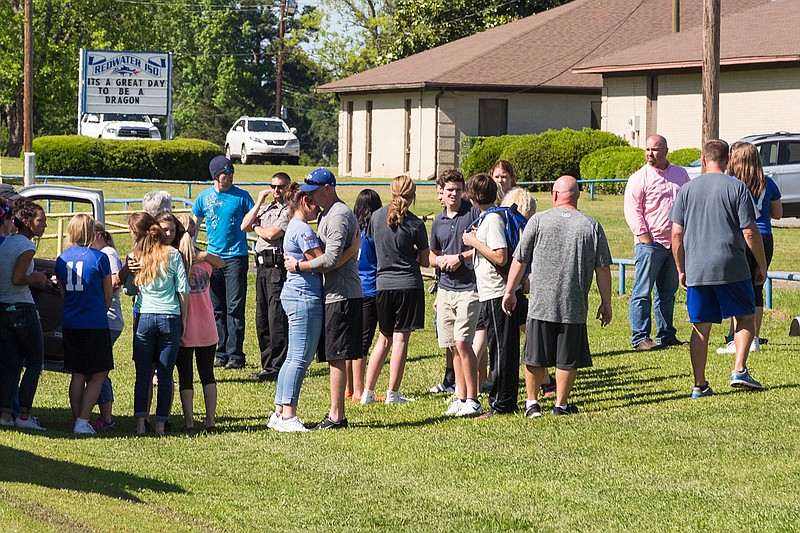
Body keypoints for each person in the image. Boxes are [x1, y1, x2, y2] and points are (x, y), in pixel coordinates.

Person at [502, 176, 612, 416]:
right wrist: (606, 302)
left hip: (541, 302)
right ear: (578, 196)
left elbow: (519, 259)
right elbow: (602, 267)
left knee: (535, 355)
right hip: (573, 304)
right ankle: (560, 404)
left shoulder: (538, 221)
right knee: (567, 358)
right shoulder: (591, 225)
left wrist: (510, 291)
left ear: (554, 195)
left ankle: (532, 403)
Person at [670, 139, 767, 398]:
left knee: (700, 327)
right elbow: (749, 230)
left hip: (698, 268)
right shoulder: (737, 188)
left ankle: (699, 384)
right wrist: (761, 263)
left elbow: (676, 234)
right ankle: (739, 369)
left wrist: (681, 267)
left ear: (704, 159)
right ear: (727, 161)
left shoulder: (686, 190)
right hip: (732, 266)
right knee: (745, 316)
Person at [284, 168, 362, 429]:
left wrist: (299, 266)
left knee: (337, 356)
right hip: (332, 294)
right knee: (333, 355)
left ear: (328, 187)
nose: (310, 198)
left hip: (342, 294)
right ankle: (335, 413)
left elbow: (330, 260)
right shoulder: (328, 214)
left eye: (314, 191)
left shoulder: (339, 215)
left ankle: (337, 416)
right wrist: (352, 249)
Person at [361, 176, 429, 405]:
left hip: (382, 285)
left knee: (383, 339)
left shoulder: (375, 217)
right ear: (413, 195)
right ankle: (393, 393)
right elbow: (426, 260)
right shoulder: (415, 224)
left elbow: (373, 245)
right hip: (408, 284)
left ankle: (367, 392)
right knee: (400, 340)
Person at [624, 134, 689, 351]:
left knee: (667, 294)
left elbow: (688, 204)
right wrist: (644, 238)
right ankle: (640, 337)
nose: (650, 154)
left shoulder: (681, 174)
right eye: (647, 149)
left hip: (674, 244)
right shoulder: (639, 178)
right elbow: (632, 211)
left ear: (666, 151)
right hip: (649, 244)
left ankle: (666, 334)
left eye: (655, 150)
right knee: (642, 293)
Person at [463, 174, 520, 417]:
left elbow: (500, 256)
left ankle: (502, 403)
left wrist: (474, 241)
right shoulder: (487, 219)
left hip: (498, 294)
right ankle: (502, 400)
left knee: (502, 350)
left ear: (473, 196)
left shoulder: (492, 220)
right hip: (491, 293)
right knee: (499, 347)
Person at [716, 141, 782, 354]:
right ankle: (753, 338)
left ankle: (737, 339)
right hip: (765, 237)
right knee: (757, 287)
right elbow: (778, 213)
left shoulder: (731, 183)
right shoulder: (768, 183)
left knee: (737, 286)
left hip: (740, 237)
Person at [270, 183, 325, 433]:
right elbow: (322, 261)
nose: (318, 208)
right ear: (305, 201)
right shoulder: (303, 230)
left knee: (292, 356)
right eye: (315, 202)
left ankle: (280, 411)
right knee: (300, 357)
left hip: (294, 294)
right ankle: (289, 415)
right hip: (304, 296)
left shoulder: (293, 225)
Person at [129, 212, 189, 436]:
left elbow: (131, 288)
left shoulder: (137, 255)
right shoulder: (173, 254)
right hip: (169, 316)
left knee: (143, 373)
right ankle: (161, 424)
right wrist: (183, 319)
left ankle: (140, 423)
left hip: (145, 315)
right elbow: (182, 290)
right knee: (165, 374)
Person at [192, 156, 255, 369]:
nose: (228, 179)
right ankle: (220, 353)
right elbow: (194, 223)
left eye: (230, 175)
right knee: (216, 308)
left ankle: (236, 355)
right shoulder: (203, 198)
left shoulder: (242, 197)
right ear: (215, 176)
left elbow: (253, 220)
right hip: (213, 258)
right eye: (224, 175)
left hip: (236, 257)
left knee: (235, 307)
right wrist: (189, 249)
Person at [429, 169, 482, 417]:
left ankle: (473, 398)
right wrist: (440, 262)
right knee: (452, 346)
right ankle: (460, 396)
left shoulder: (472, 214)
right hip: (446, 290)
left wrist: (460, 257)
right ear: (441, 191)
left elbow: (483, 246)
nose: (454, 194)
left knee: (463, 342)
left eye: (458, 190)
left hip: (468, 289)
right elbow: (432, 254)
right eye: (449, 190)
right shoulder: (438, 221)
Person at [56, 214, 114, 435]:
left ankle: (77, 418)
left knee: (77, 373)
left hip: (71, 321)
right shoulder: (99, 258)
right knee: (99, 372)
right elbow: (107, 295)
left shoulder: (62, 258)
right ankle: (83, 419)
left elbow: (62, 293)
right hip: (94, 322)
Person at [0, 198, 50, 430]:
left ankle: (6, 415)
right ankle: (24, 416)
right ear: (28, 222)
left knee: (11, 364)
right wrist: (38, 278)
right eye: (41, 220)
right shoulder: (27, 246)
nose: (45, 226)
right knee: (33, 363)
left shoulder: (6, 243)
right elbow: (18, 279)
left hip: (4, 308)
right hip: (22, 308)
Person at [175, 214, 225, 433]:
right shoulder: (203, 261)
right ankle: (211, 420)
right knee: (207, 374)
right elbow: (221, 262)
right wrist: (204, 254)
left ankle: (188, 421)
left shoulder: (174, 258)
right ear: (195, 231)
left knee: (185, 376)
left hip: (183, 324)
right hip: (206, 324)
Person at [241, 172, 291, 382]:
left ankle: (278, 367)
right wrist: (260, 200)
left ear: (288, 188)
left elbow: (272, 234)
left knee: (276, 318)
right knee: (261, 319)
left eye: (280, 187)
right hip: (261, 268)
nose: (276, 191)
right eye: (273, 187)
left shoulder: (289, 210)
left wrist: (257, 227)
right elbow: (244, 225)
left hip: (276, 268)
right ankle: (267, 364)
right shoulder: (267, 207)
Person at [90, 221, 124, 431]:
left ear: (99, 235)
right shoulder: (103, 253)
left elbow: (112, 283)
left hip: (108, 320)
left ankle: (106, 417)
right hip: (103, 319)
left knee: (99, 370)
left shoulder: (108, 254)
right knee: (96, 369)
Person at [351, 189, 383, 402]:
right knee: (364, 342)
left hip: (354, 287)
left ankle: (349, 388)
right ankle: (359, 391)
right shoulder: (373, 235)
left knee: (353, 340)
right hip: (371, 288)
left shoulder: (353, 231)